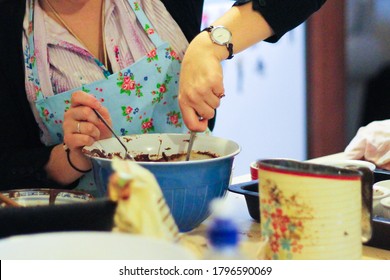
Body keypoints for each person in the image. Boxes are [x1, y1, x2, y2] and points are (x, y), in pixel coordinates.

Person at [0, 0, 326, 195]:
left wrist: (209, 46)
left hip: (192, 226)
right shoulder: (11, 22)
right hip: (78, 241)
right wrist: (70, 158)